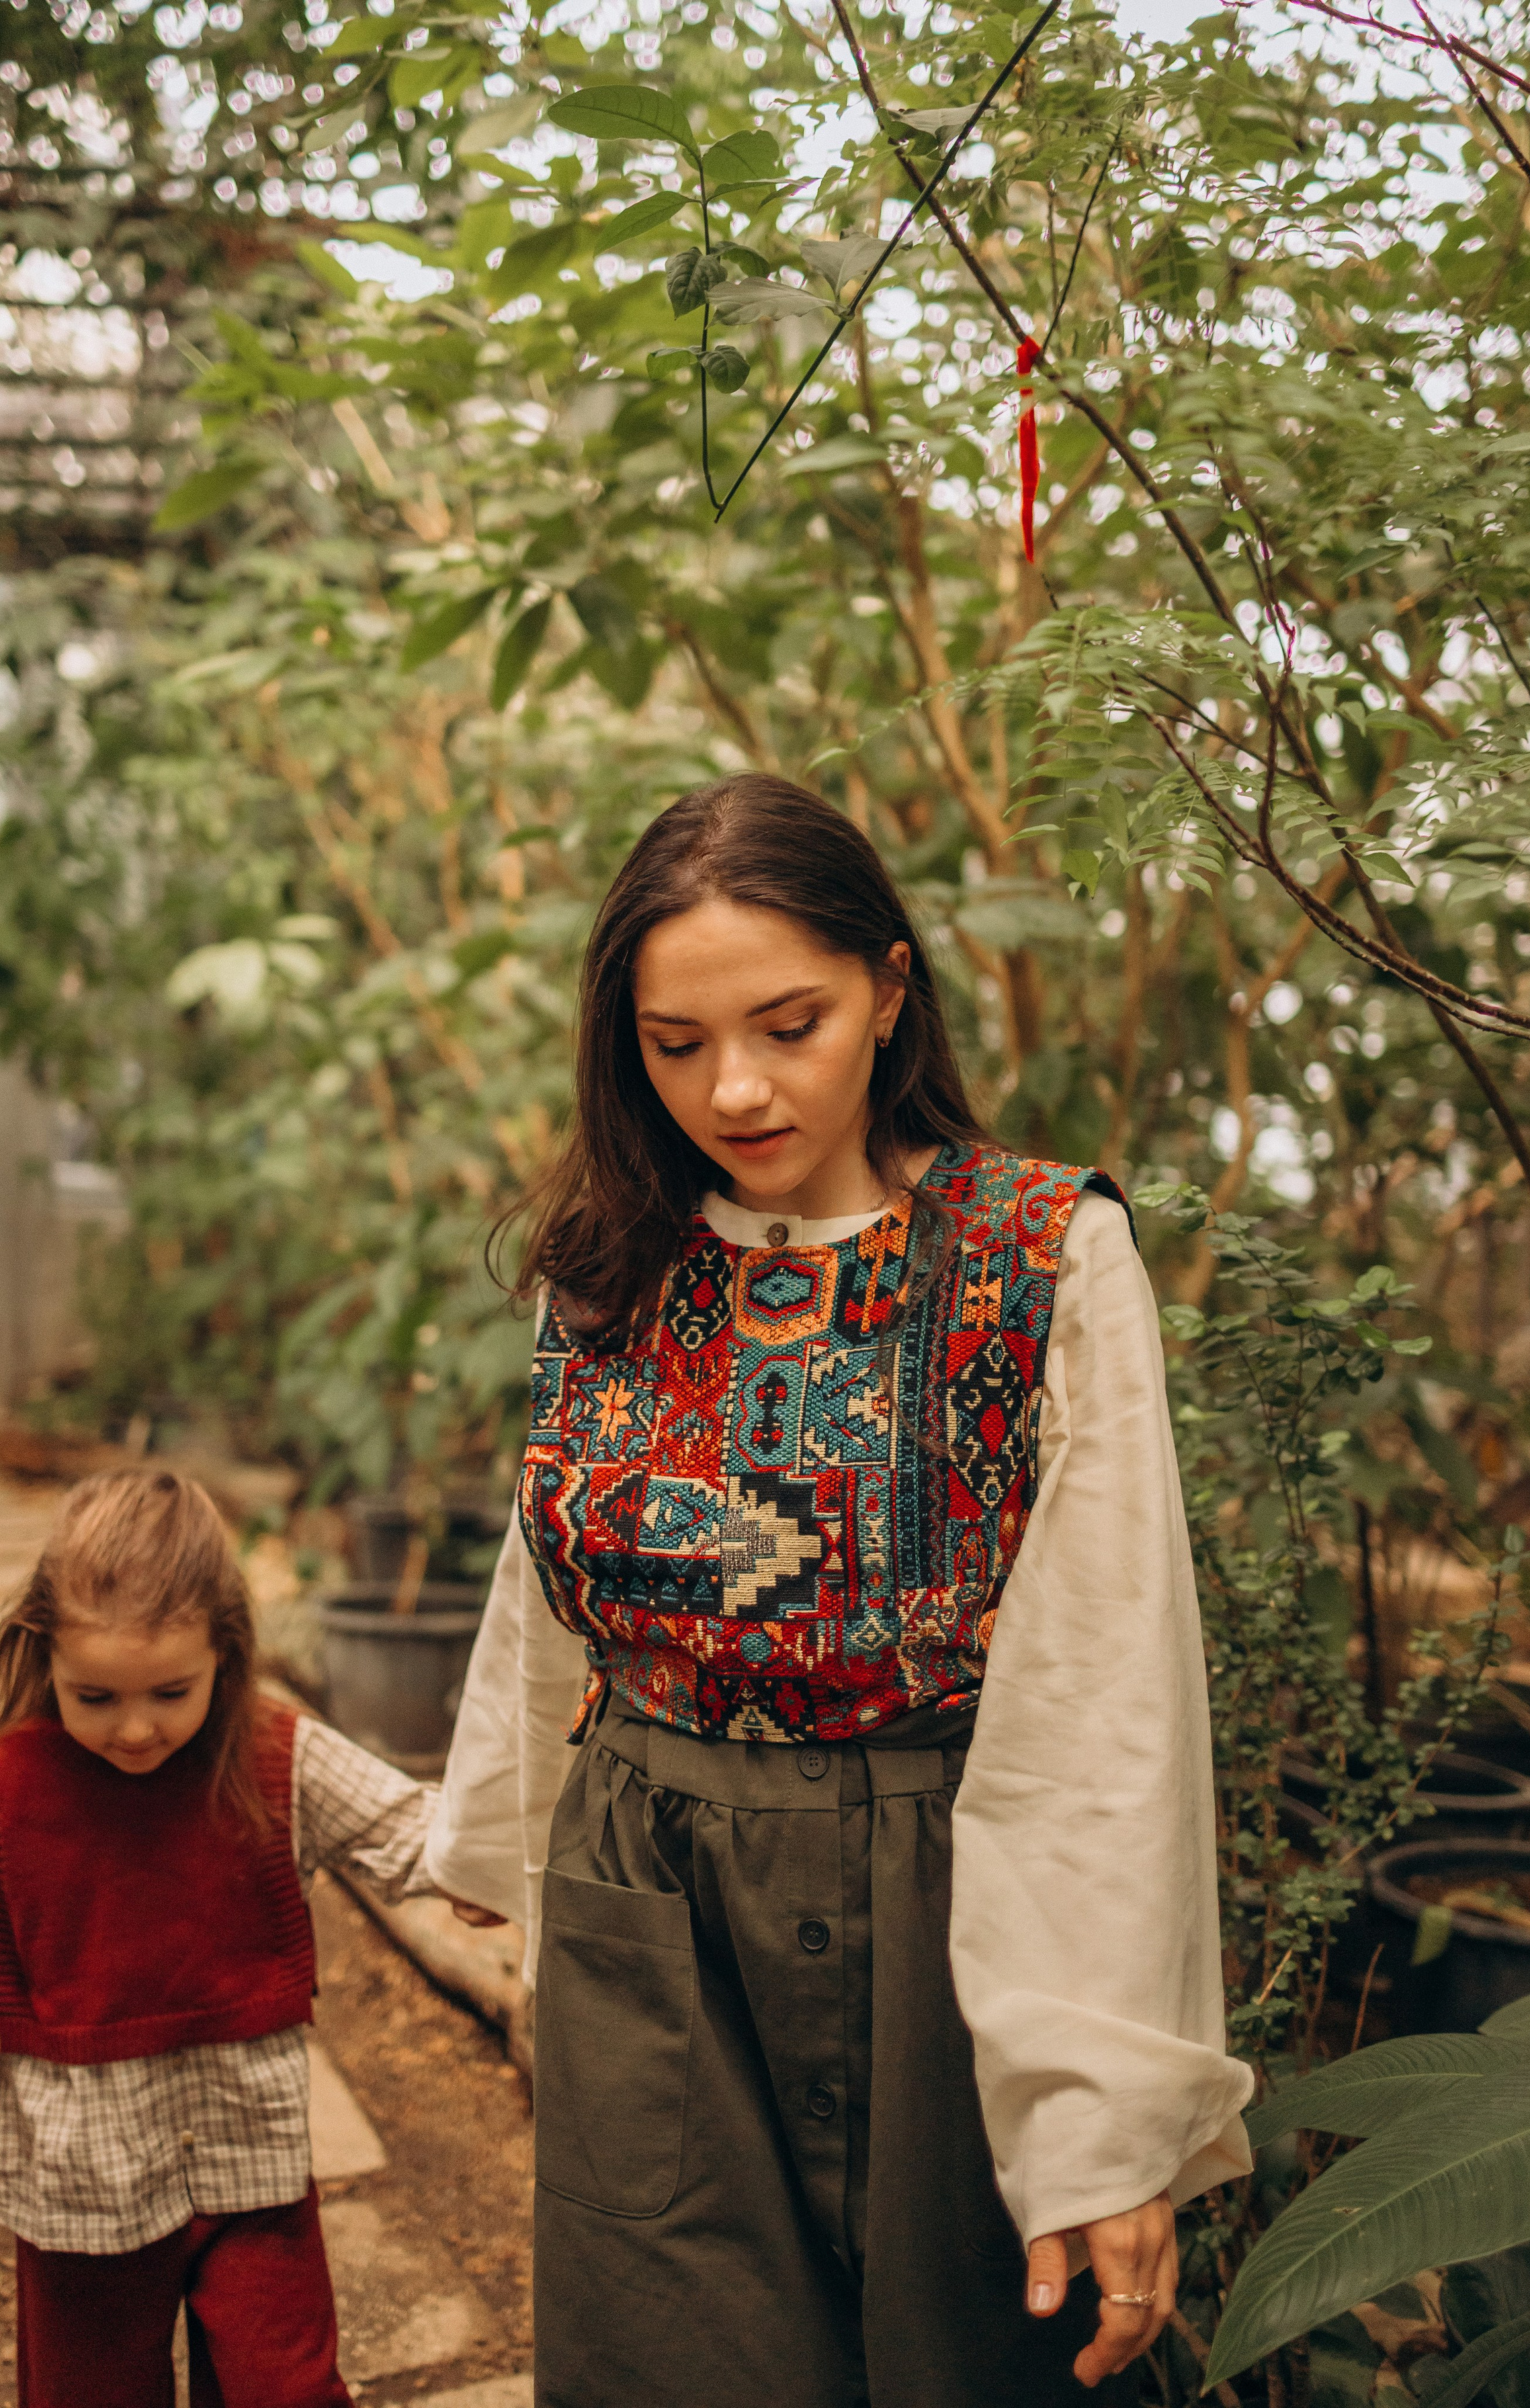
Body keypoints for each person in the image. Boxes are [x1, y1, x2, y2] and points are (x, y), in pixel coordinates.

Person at [424, 774, 1253, 2408]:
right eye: (674, 1044)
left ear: (887, 987)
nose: (733, 1086)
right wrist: (501, 1832)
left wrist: (1101, 2114)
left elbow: (1105, 1693)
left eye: (787, 1021)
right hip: (649, 1904)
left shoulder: (1037, 1257)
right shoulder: (613, 1259)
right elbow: (550, 1573)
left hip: (949, 1905)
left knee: (974, 2362)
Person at [0, 1467, 440, 2408]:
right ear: (44, 1655)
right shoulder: (6, 1793)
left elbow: (405, 1829)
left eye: (171, 1693)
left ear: (226, 1652)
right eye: (93, 1697)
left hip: (250, 2169)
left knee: (289, 2392)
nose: (136, 1730)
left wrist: (473, 1873)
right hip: (81, 2195)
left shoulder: (273, 1754)